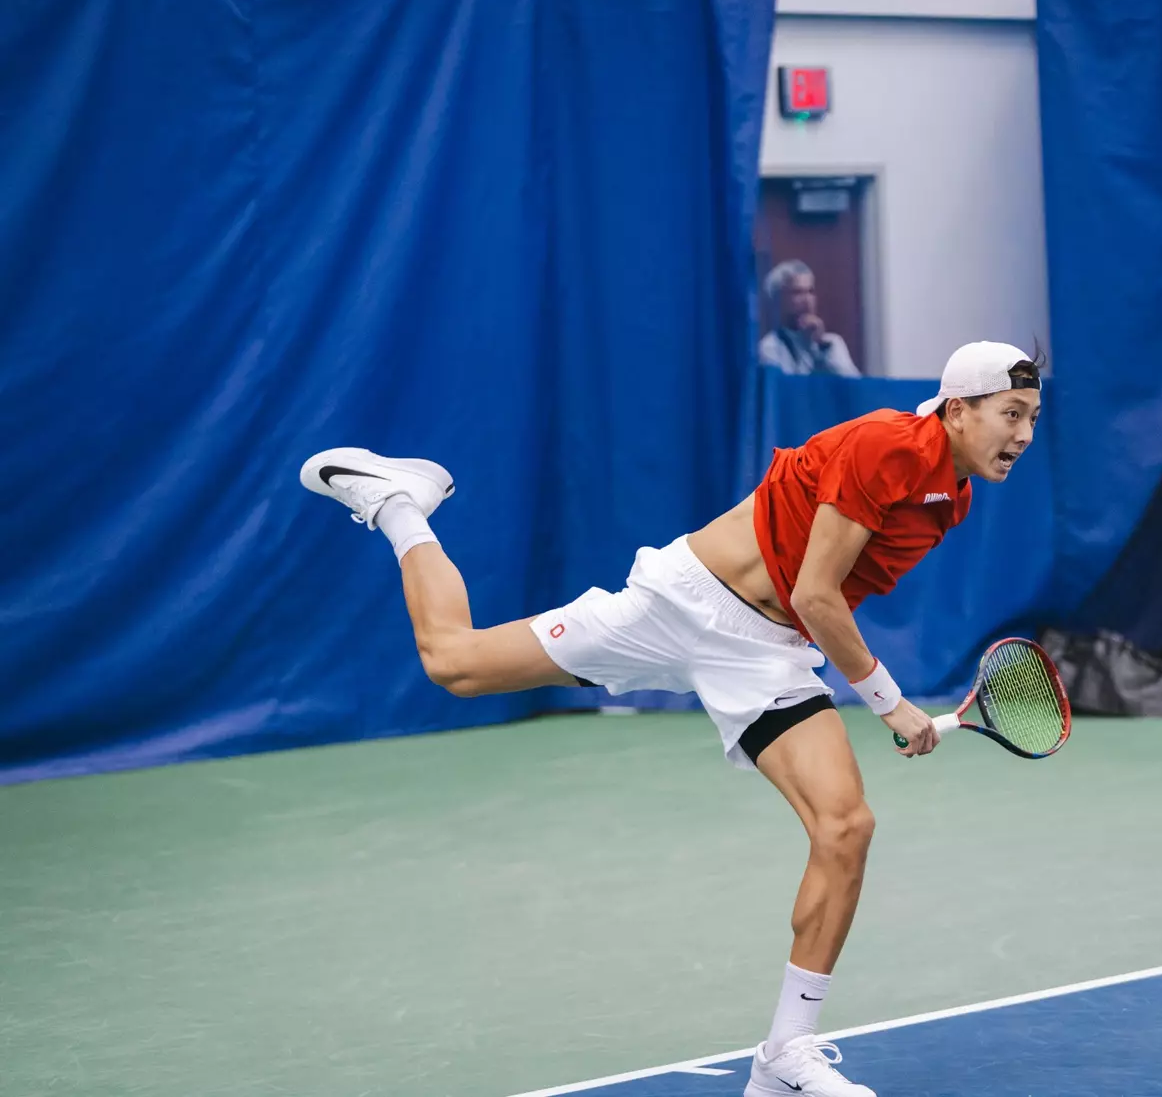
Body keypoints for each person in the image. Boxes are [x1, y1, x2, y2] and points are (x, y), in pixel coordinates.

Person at [298, 341, 1043, 1096]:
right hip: (683, 603)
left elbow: (817, 603)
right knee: (454, 663)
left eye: (1033, 418)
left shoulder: (953, 497)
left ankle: (786, 1054)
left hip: (767, 651)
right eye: (1010, 414)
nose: (1022, 434)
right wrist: (890, 702)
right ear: (957, 409)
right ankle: (397, 504)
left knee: (845, 825)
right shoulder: (886, 445)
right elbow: (819, 593)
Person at [757, 259, 861, 376]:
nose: (807, 300)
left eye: (810, 291)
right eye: (797, 292)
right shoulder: (770, 348)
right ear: (778, 299)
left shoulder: (832, 343)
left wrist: (820, 347)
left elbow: (852, 386)